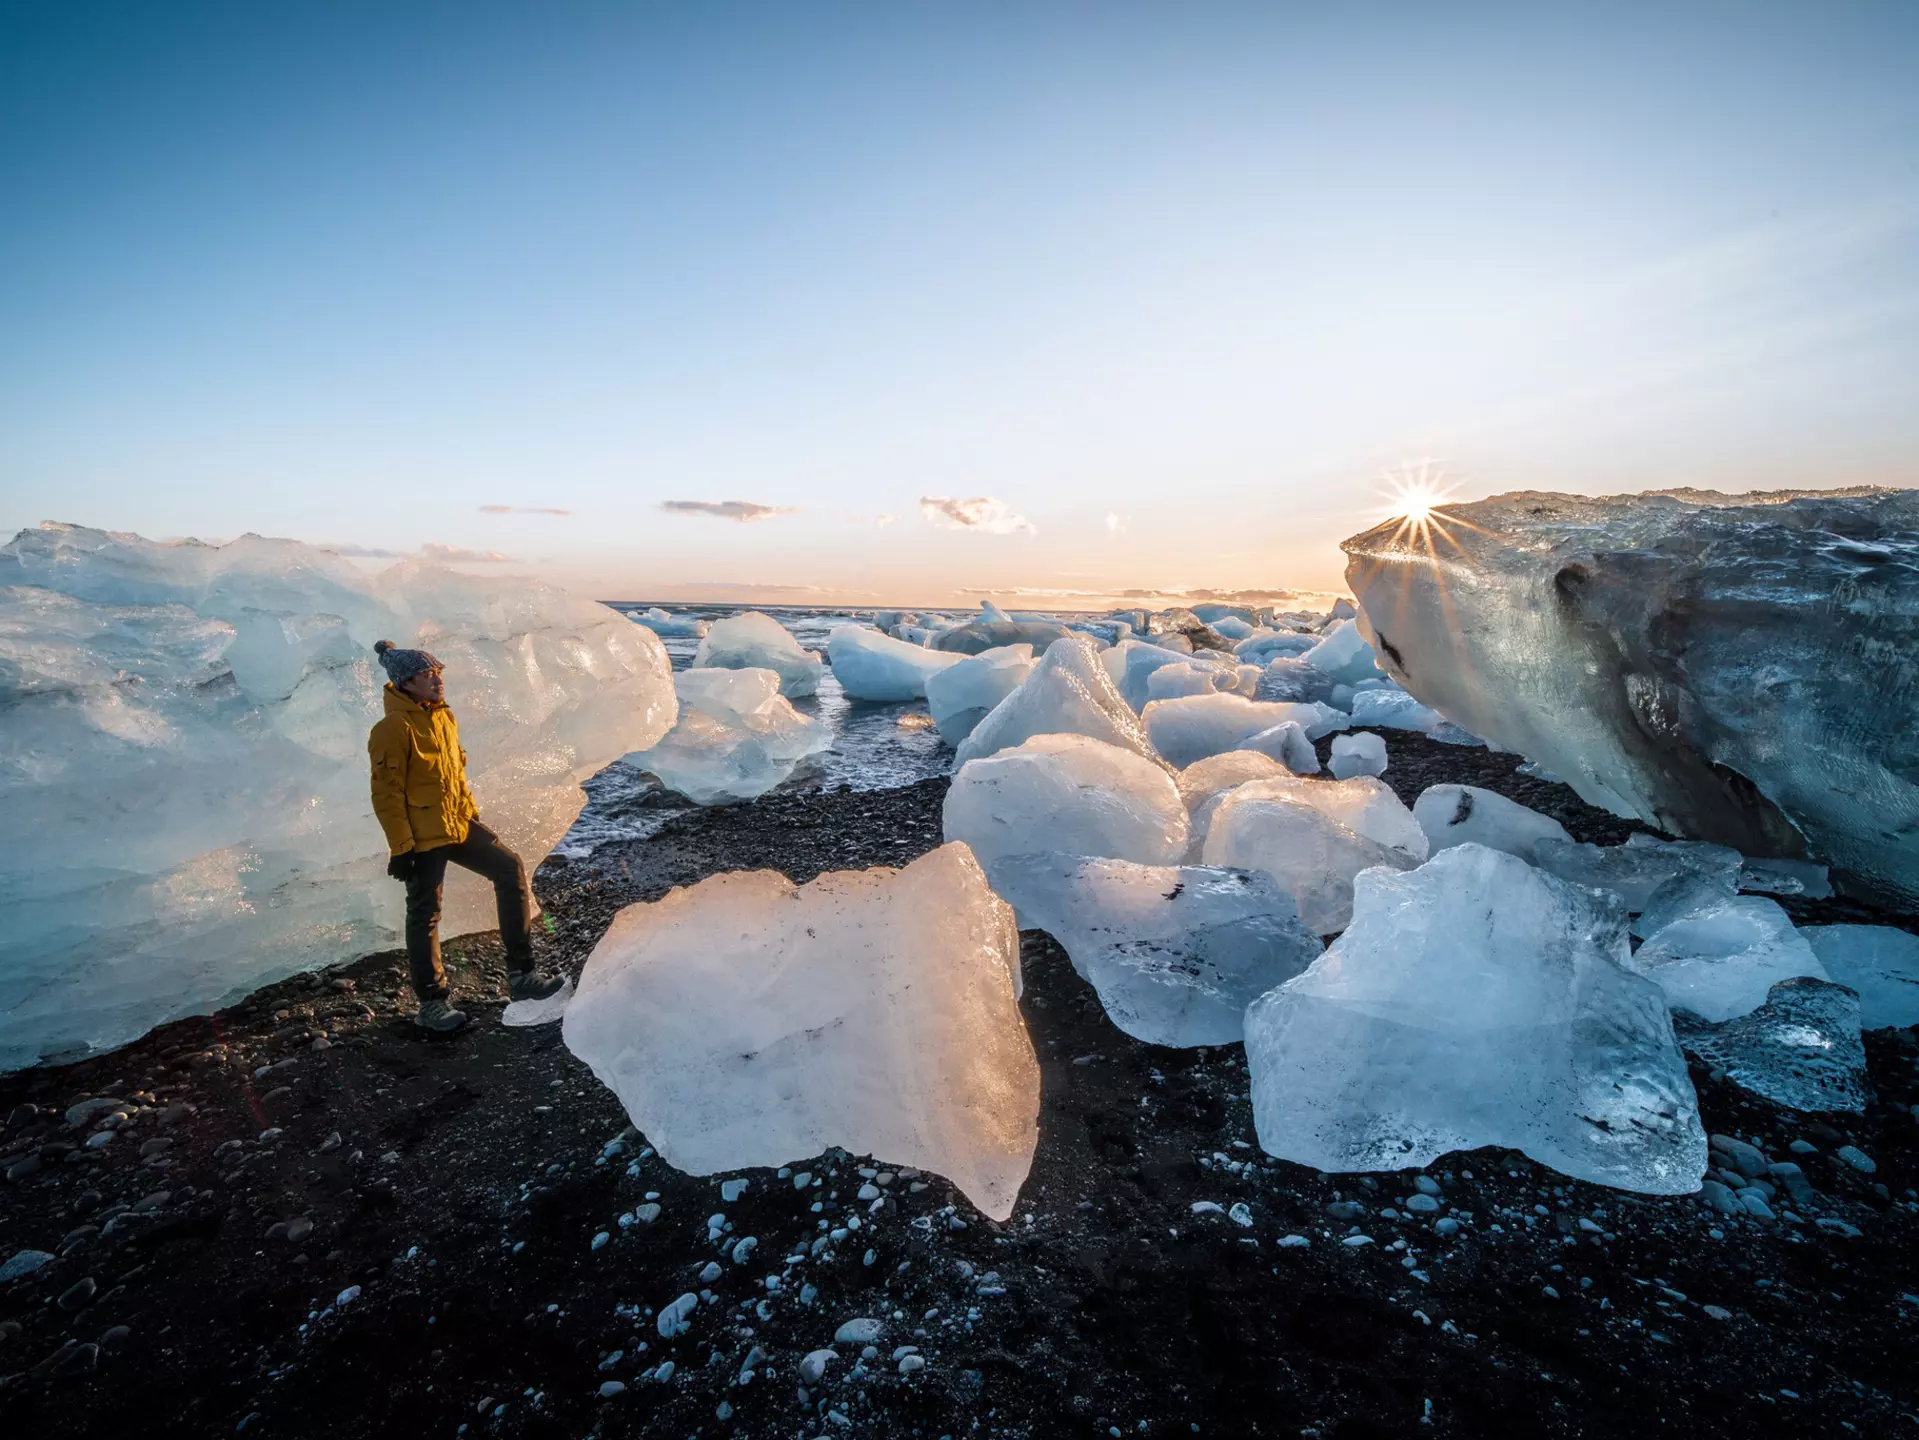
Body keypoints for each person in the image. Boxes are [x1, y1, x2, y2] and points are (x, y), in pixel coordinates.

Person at [367, 640, 564, 1032]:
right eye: (428, 674)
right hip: (422, 837)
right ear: (406, 683)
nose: (438, 680)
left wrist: (470, 813)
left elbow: (455, 773)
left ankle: (522, 977)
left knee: (509, 870)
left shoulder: (443, 717)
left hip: (456, 824)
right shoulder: (392, 728)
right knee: (425, 914)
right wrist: (401, 847)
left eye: (439, 672)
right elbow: (386, 792)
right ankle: (432, 1005)